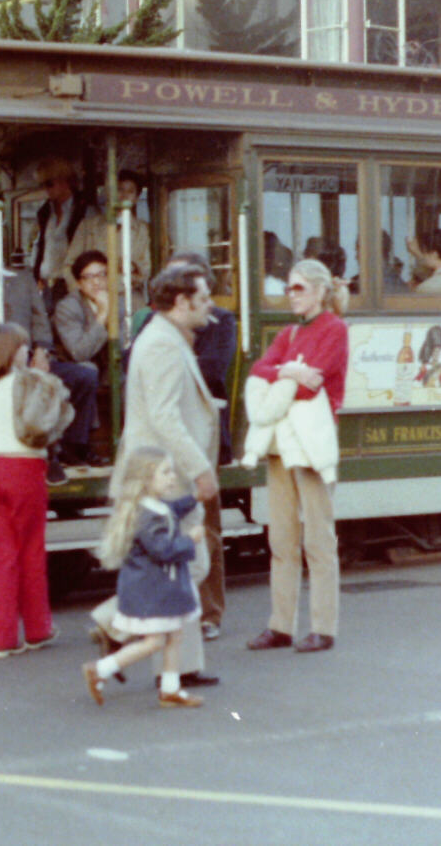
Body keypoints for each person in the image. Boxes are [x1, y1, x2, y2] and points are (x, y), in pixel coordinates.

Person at [92, 262, 221, 690]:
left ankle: (180, 667)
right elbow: (165, 416)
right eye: (203, 299)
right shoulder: (164, 345)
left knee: (186, 565)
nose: (210, 307)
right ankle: (115, 623)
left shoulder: (164, 337)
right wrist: (200, 468)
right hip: (165, 474)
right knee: (192, 561)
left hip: (162, 471)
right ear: (182, 302)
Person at [244, 258, 348, 655]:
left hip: (309, 444)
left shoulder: (334, 329)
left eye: (299, 288)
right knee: (282, 537)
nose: (292, 295)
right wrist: (291, 372)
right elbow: (259, 369)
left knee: (318, 537)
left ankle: (323, 626)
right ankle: (280, 625)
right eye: (289, 288)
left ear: (321, 291)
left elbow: (314, 384)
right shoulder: (288, 333)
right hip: (280, 446)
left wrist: (281, 375)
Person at [0, 223, 101, 479]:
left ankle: (74, 446)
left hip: (30, 359)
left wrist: (42, 350)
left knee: (84, 376)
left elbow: (40, 320)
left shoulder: (21, 279)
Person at [80, 446, 204, 711]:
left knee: (175, 635)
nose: (172, 477)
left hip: (160, 587)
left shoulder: (153, 506)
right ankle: (100, 669)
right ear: (147, 479)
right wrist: (189, 540)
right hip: (154, 590)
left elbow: (172, 509)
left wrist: (193, 499)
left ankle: (170, 690)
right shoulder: (147, 516)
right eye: (166, 472)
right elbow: (162, 549)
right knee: (156, 641)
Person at [0, 323, 68, 657]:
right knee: (30, 549)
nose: (28, 352)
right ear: (11, 350)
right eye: (23, 347)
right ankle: (37, 628)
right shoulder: (28, 381)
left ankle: (1, 638)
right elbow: (54, 415)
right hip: (24, 468)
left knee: (3, 554)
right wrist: (43, 375)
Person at [157, 251, 236, 639]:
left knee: (207, 526)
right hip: (170, 441)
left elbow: (213, 368)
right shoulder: (158, 327)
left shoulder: (221, 321)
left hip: (202, 439)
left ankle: (210, 611)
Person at [64, 169, 152, 303]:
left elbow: (145, 270)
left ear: (136, 197)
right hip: (91, 299)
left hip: (127, 298)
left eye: (130, 191)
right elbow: (69, 265)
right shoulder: (88, 226)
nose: (124, 195)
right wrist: (80, 294)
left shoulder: (143, 230)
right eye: (120, 189)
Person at [30, 156, 99, 310]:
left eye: (49, 183)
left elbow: (91, 249)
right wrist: (35, 276)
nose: (45, 189)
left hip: (71, 284)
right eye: (43, 185)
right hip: (46, 286)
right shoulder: (45, 212)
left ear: (64, 181)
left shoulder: (84, 210)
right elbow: (40, 245)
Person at [52, 251, 119, 370]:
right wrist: (102, 314)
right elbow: (79, 353)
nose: (96, 282)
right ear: (78, 283)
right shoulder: (67, 307)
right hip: (80, 367)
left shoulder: (119, 301)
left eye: (101, 274)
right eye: (88, 277)